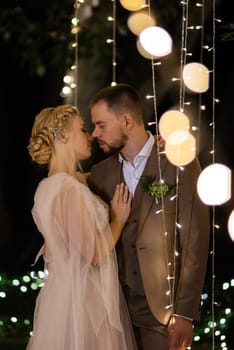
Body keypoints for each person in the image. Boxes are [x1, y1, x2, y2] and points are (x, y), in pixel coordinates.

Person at [87, 83, 210, 350]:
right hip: (112, 311)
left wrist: (185, 312)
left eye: (101, 125)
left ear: (127, 120)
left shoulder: (179, 161)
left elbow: (194, 240)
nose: (94, 133)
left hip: (162, 313)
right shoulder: (100, 174)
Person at [26, 104, 137, 350]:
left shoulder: (52, 186)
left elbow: (95, 174)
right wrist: (117, 220)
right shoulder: (66, 189)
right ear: (62, 135)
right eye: (83, 129)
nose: (90, 136)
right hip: (82, 303)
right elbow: (95, 253)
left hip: (66, 297)